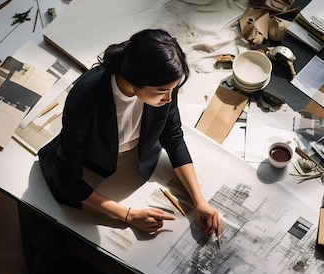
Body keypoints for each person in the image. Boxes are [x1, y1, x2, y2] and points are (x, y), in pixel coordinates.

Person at [38, 29, 221, 237]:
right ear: (137, 79)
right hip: (91, 172)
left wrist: (199, 201)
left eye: (172, 90)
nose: (169, 99)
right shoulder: (86, 98)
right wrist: (128, 215)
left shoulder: (165, 82)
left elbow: (172, 135)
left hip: (135, 167)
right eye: (162, 92)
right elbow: (67, 178)